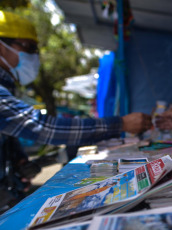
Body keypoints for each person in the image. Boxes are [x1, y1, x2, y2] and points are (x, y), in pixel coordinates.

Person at [0, 11, 152, 211]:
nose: (34, 55)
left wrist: (17, 160)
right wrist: (121, 124)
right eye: (29, 47)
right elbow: (43, 128)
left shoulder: (8, 89)